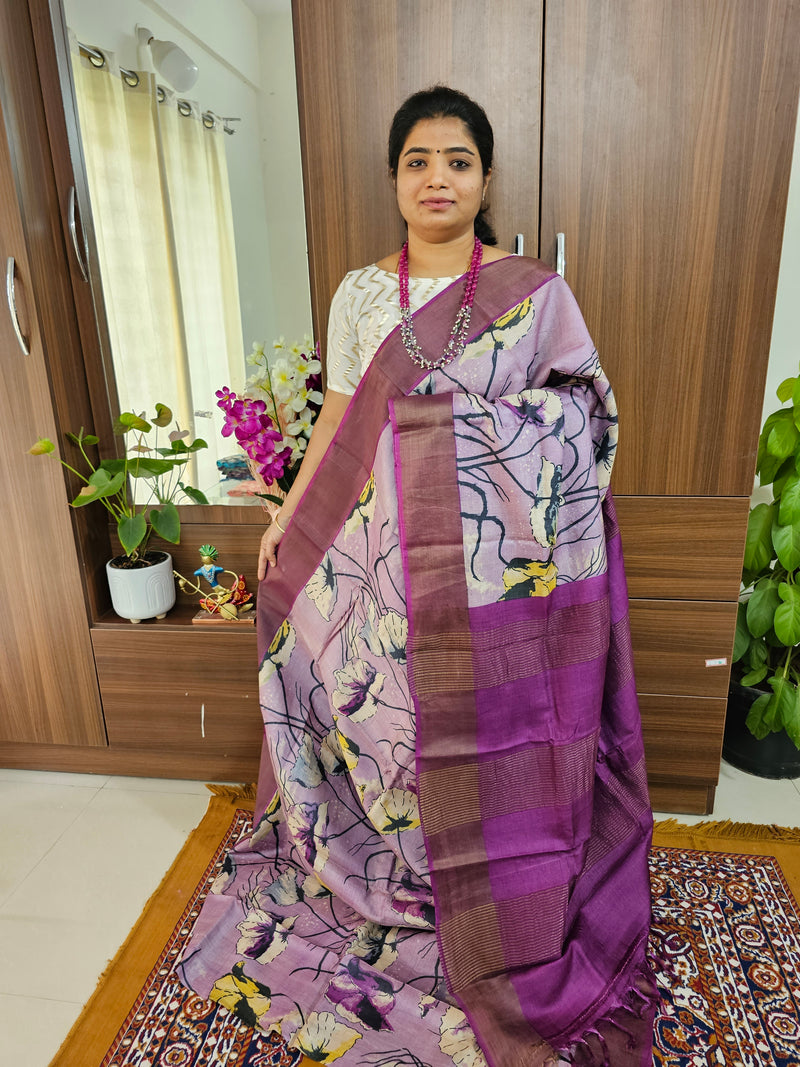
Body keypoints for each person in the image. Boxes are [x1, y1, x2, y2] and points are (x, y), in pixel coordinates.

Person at [178, 86, 657, 1066]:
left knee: (491, 739)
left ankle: (496, 900)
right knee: (392, 739)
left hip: (499, 589)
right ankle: (403, 885)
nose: (435, 178)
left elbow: (583, 419)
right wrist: (289, 511)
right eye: (416, 160)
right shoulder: (362, 293)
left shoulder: (534, 295)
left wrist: (453, 436)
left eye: (456, 160)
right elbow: (341, 420)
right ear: (394, 177)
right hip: (387, 577)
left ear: (483, 179)